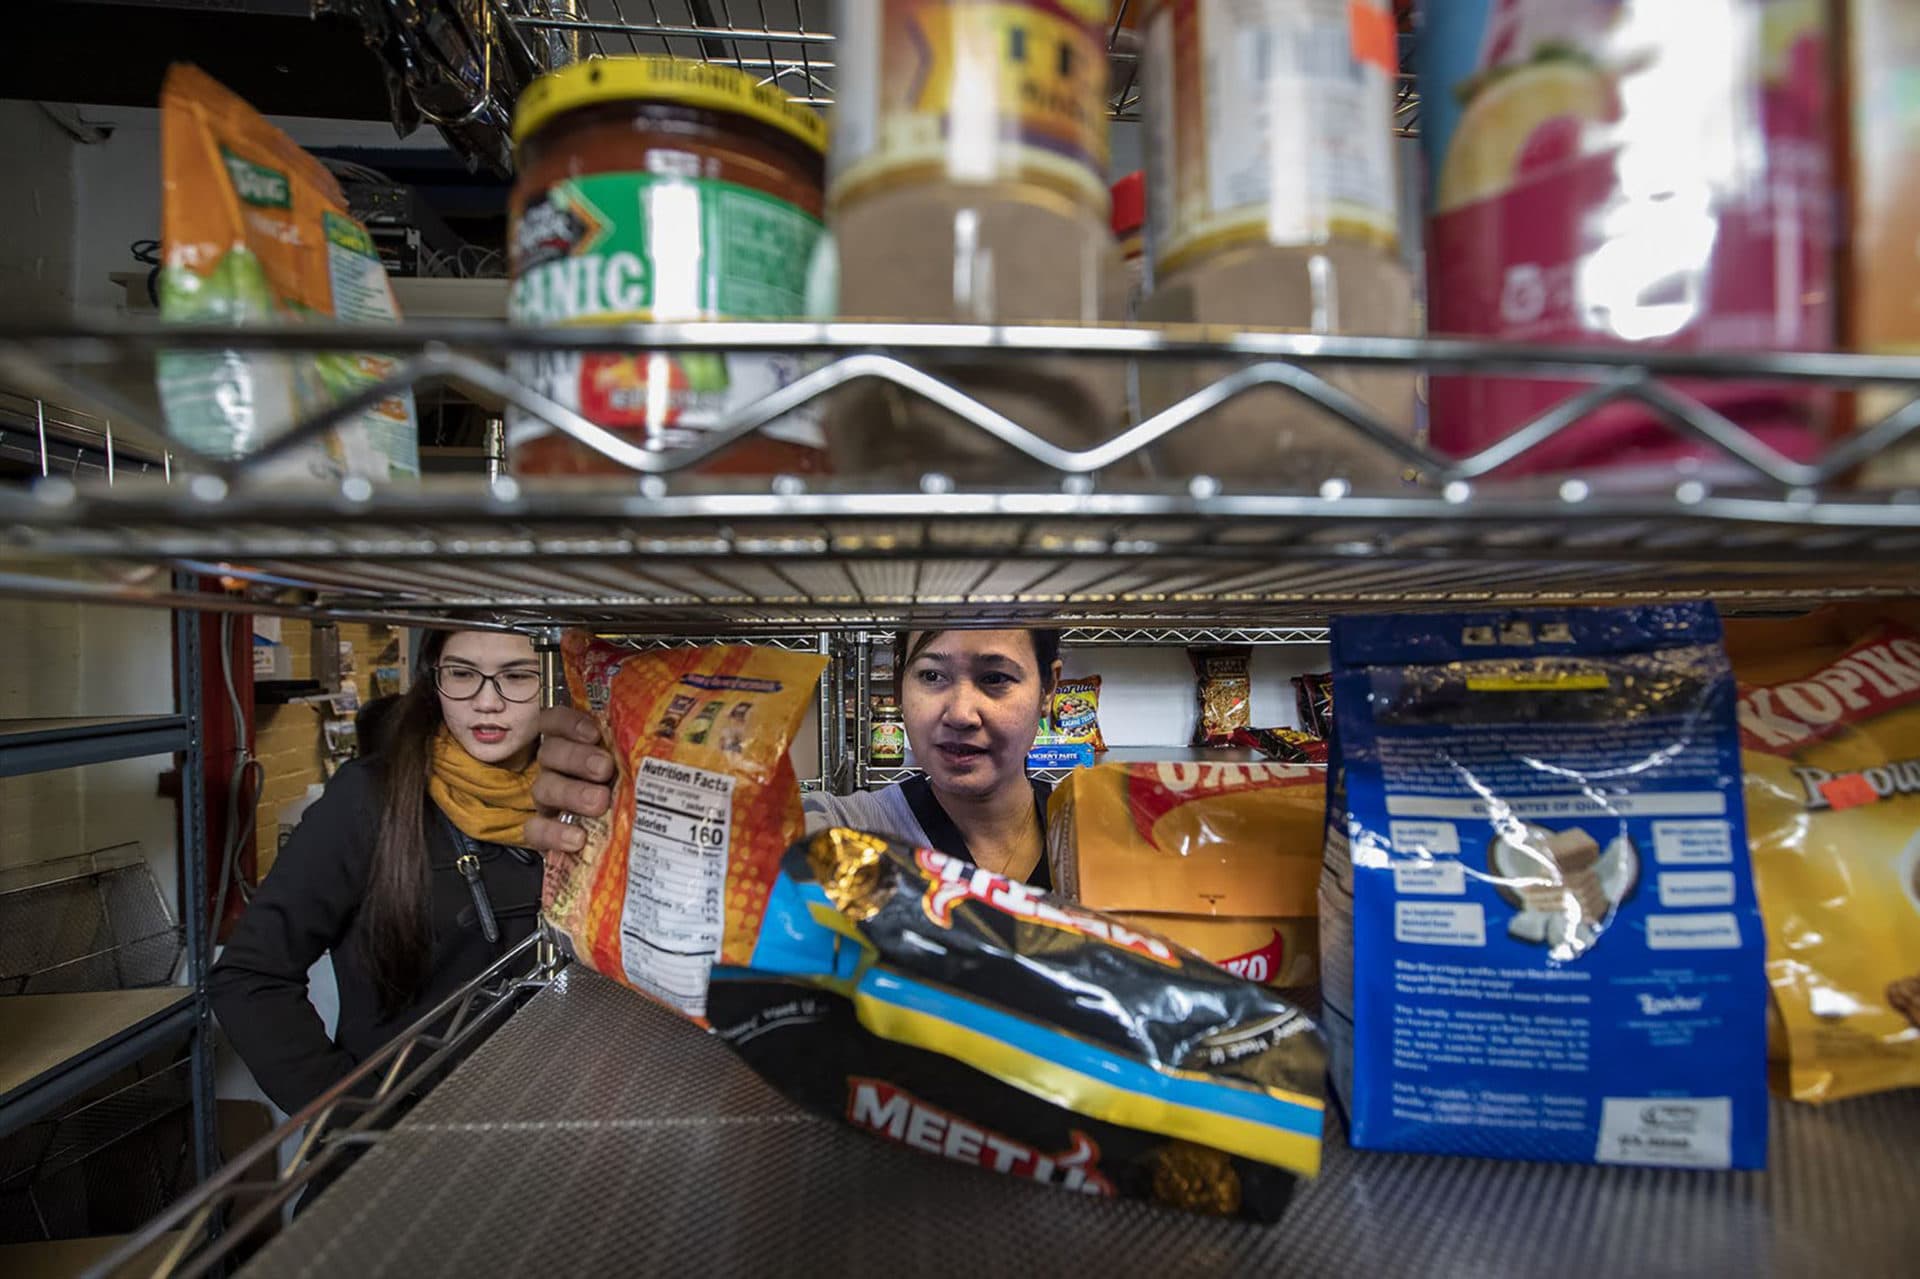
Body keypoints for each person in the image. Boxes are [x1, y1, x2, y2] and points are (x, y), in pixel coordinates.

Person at [210, 630, 546, 1114]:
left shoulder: (585, 799)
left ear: (557, 680)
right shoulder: (371, 799)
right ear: (434, 681)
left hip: (547, 1118)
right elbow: (250, 976)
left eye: (517, 677)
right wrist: (359, 1116)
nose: (486, 702)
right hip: (411, 1144)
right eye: (462, 674)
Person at [528, 629, 1062, 886]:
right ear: (899, 686)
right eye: (931, 676)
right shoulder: (850, 829)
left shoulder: (1100, 833)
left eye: (995, 678)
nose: (961, 712)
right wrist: (617, 826)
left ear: (1048, 691)